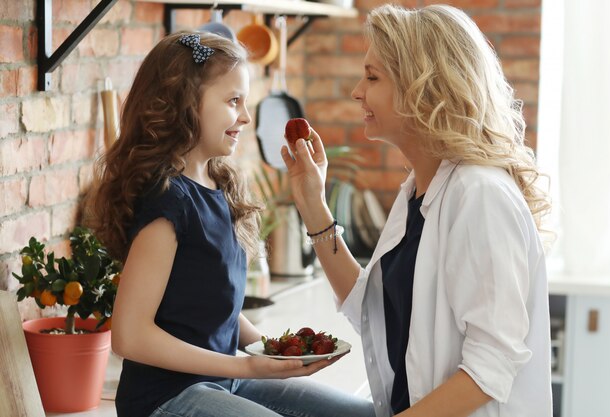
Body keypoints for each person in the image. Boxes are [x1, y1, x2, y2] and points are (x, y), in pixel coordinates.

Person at [281, 4, 553, 417]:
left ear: (423, 89)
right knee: (267, 395)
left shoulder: (479, 194)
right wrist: (312, 204)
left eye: (373, 77)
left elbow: (490, 369)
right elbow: (371, 311)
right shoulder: (420, 188)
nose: (357, 91)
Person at [87, 31, 376, 417]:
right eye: (233, 101)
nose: (246, 117)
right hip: (164, 399)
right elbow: (129, 336)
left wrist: (272, 351)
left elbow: (211, 305)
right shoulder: (168, 203)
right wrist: (244, 365)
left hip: (225, 381)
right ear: (184, 103)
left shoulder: (219, 186)